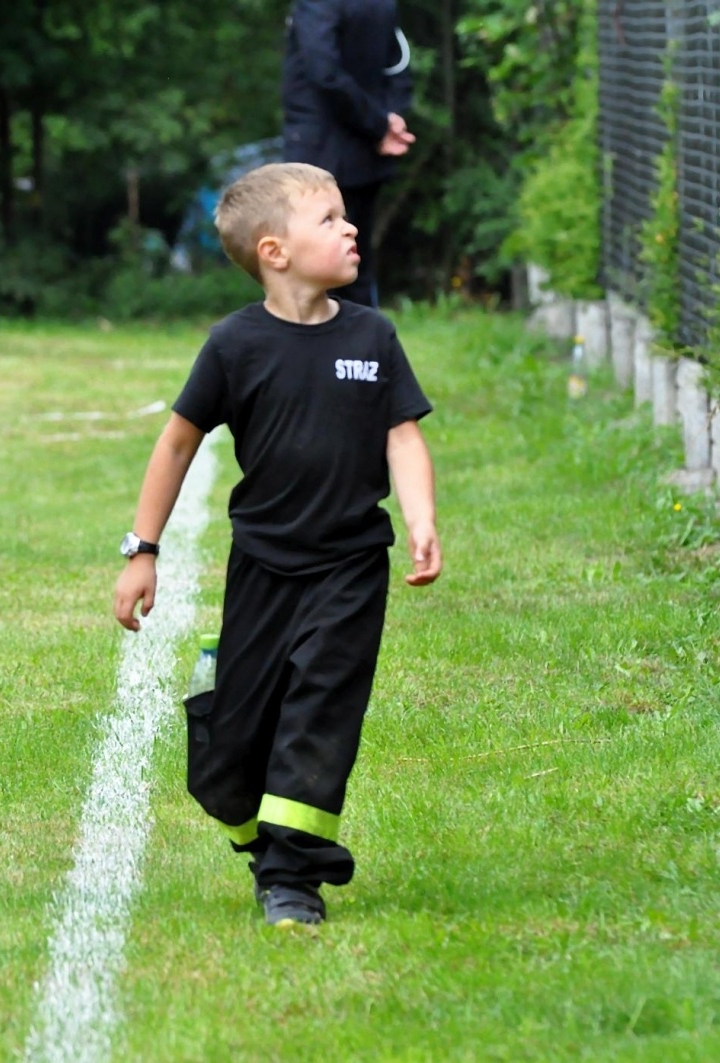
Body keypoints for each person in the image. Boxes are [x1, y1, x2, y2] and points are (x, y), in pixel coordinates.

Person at [113, 162, 441, 927]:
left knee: (319, 710)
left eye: (345, 215)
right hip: (262, 568)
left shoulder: (373, 335)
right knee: (232, 755)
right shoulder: (236, 345)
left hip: (351, 565)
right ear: (274, 251)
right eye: (328, 219)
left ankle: (292, 876)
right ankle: (257, 821)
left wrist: (421, 518)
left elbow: (402, 435)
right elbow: (176, 443)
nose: (349, 227)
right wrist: (143, 549)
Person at [282, 0, 415, 307]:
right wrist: (387, 122)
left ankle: (318, 334)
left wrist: (381, 125)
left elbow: (324, 73)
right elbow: (400, 66)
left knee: (313, 262)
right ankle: (364, 335)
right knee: (357, 261)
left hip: (319, 153)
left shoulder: (317, 5)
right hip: (366, 149)